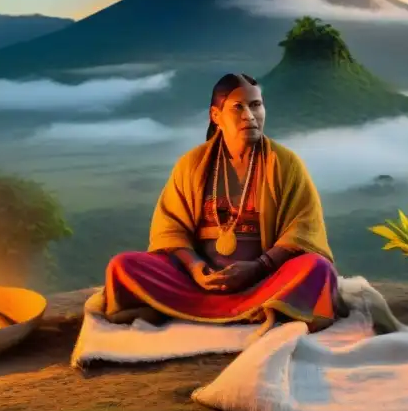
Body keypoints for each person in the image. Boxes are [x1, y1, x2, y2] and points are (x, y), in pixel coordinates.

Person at [88, 73, 341, 335]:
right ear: (215, 115)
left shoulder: (286, 164)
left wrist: (258, 267)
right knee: (123, 266)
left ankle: (176, 309)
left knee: (317, 268)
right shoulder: (192, 164)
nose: (250, 115)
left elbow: (302, 230)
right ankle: (262, 310)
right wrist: (196, 267)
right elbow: (171, 229)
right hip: (197, 283)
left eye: (256, 105)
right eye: (238, 107)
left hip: (263, 280)